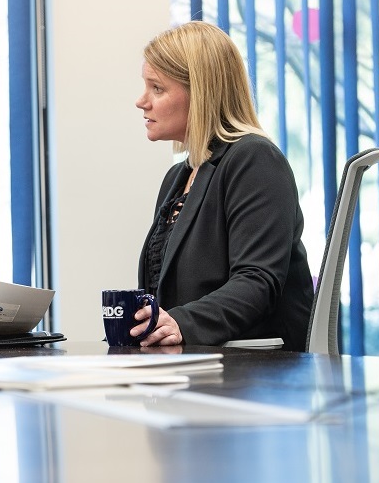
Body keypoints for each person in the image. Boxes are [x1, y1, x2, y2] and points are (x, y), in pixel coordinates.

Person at [131, 21, 313, 351]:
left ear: (200, 93)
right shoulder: (177, 178)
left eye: (157, 88)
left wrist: (181, 324)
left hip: (257, 373)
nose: (141, 101)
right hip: (196, 368)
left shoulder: (255, 159)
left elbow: (257, 281)